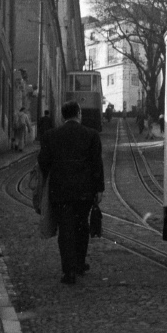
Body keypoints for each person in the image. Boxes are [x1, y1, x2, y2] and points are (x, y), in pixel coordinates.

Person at [38, 101, 105, 286]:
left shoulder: (50, 136)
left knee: (65, 229)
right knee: (81, 226)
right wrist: (99, 189)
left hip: (60, 191)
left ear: (62, 116)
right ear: (79, 114)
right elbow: (97, 164)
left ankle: (68, 271)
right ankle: (79, 263)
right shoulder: (91, 135)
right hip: (84, 192)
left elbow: (43, 162)